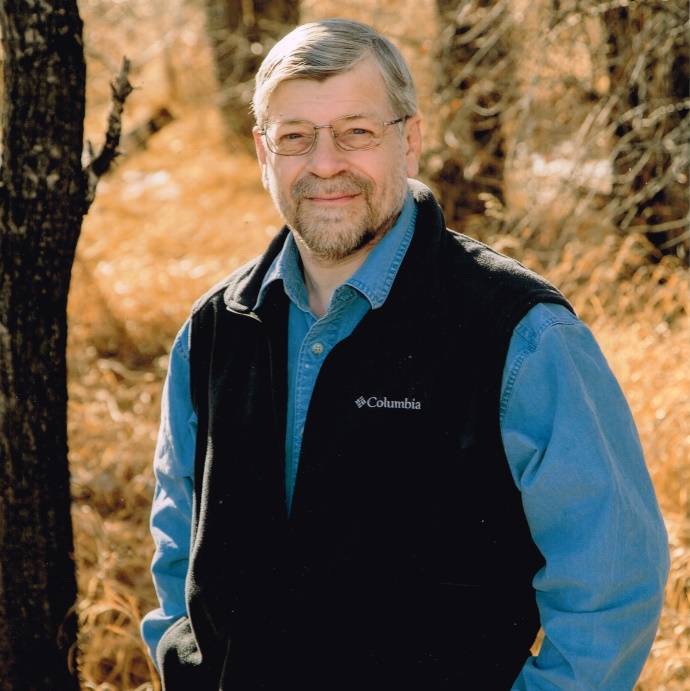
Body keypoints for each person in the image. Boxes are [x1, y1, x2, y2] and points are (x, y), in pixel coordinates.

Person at [141, 18, 669, 690]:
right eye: (296, 137)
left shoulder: (518, 333)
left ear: (411, 141)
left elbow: (612, 579)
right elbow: (177, 549)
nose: (325, 163)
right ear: (261, 152)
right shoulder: (215, 332)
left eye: (356, 132)